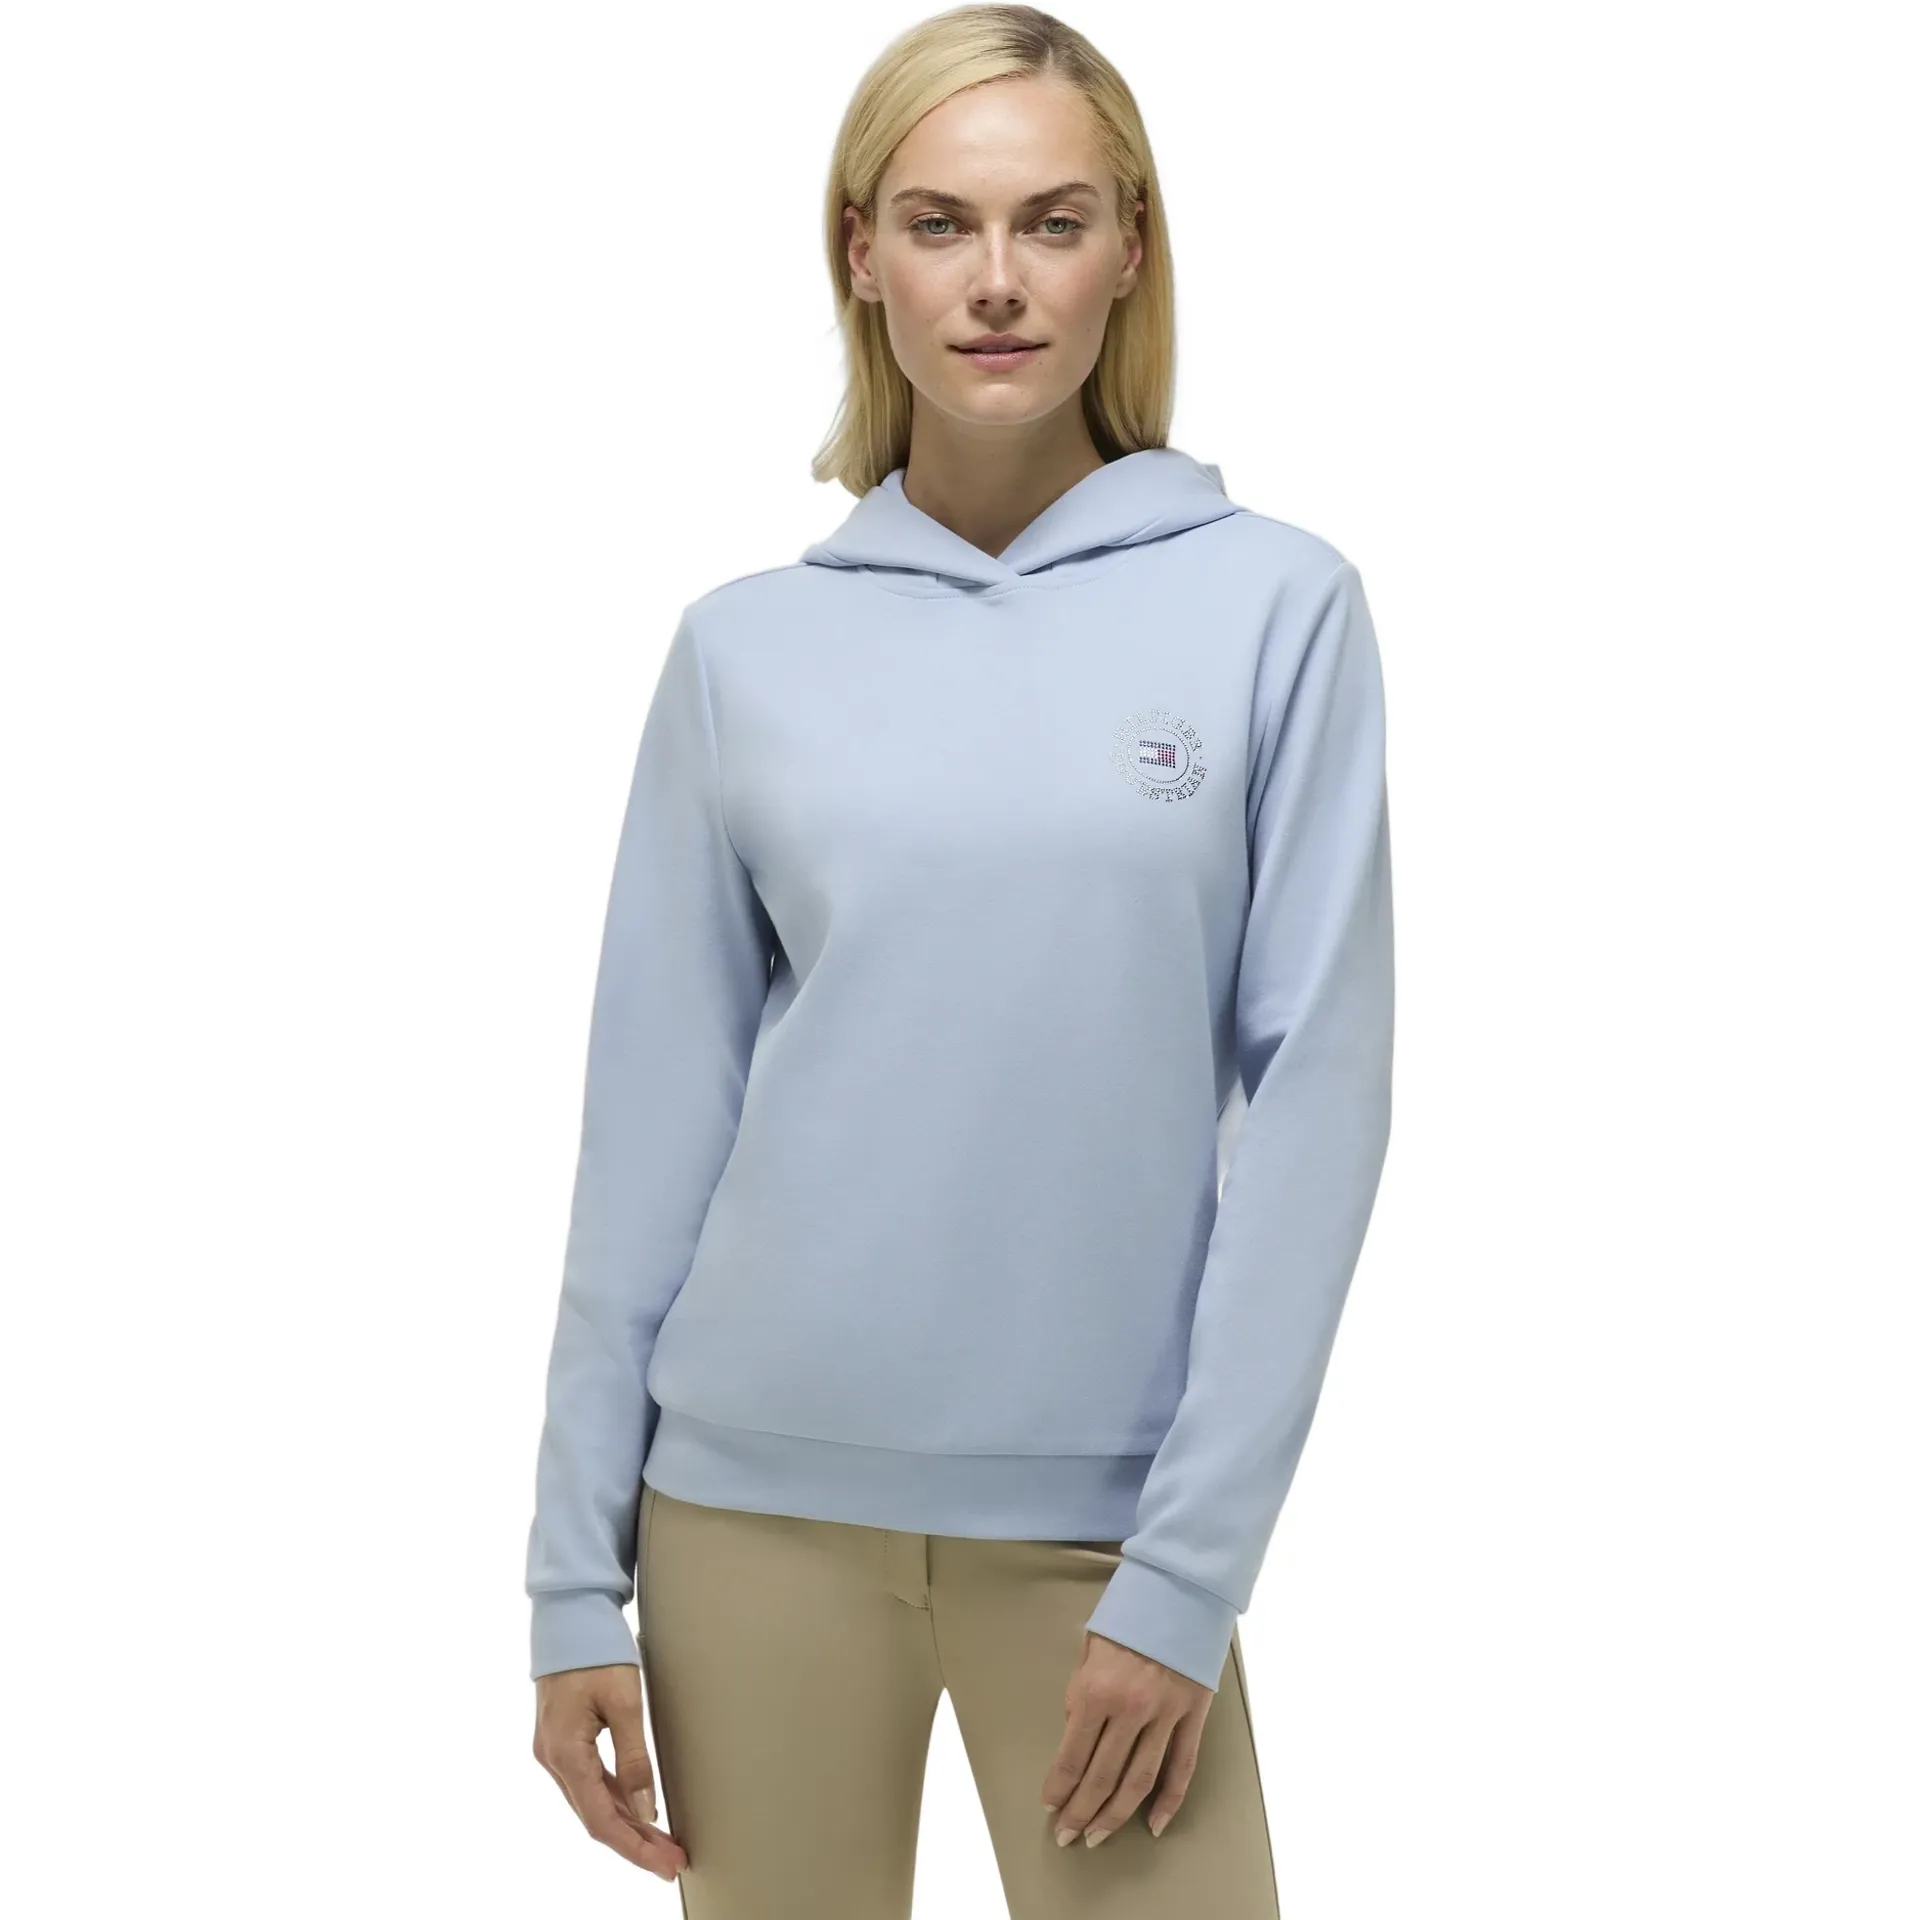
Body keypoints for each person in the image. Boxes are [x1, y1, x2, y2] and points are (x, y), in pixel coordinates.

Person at [525, 6, 1395, 1913]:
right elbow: (650, 1125)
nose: (997, 279)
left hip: (1108, 1537)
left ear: (1131, 250)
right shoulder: (745, 648)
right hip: (741, 1516)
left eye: (1053, 222)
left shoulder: (1277, 607)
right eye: (939, 223)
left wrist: (1188, 1576)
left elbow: (1320, 1107)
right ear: (862, 254)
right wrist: (572, 1577)